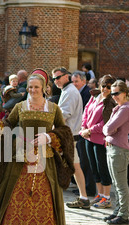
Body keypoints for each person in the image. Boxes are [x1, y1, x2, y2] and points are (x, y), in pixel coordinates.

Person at [0, 68, 75, 225]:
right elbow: (9, 124)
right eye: (29, 87)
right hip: (20, 156)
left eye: (36, 87)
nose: (32, 90)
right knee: (11, 194)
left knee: (44, 197)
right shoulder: (20, 107)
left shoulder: (53, 108)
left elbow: (64, 131)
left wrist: (50, 137)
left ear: (44, 88)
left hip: (45, 159)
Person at [52, 67, 90, 209]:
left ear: (66, 76)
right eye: (54, 78)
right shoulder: (68, 91)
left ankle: (83, 197)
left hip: (67, 136)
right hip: (69, 134)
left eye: (58, 77)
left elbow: (63, 115)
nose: (56, 81)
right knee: (74, 166)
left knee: (70, 166)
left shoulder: (70, 92)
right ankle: (83, 197)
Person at [80, 74, 116, 208]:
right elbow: (86, 112)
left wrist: (89, 130)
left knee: (102, 168)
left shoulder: (111, 102)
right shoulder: (94, 96)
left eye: (109, 87)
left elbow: (105, 122)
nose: (105, 89)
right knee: (94, 168)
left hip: (100, 139)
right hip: (88, 137)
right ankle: (99, 194)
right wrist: (84, 127)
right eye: (103, 86)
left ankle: (107, 197)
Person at [102, 80, 129, 225]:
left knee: (121, 185)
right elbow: (107, 128)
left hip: (119, 150)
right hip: (114, 148)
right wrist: (108, 129)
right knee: (116, 184)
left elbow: (108, 129)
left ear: (125, 93)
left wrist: (108, 129)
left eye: (117, 93)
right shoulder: (119, 108)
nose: (114, 96)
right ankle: (118, 211)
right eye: (112, 93)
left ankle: (123, 215)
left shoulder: (125, 109)